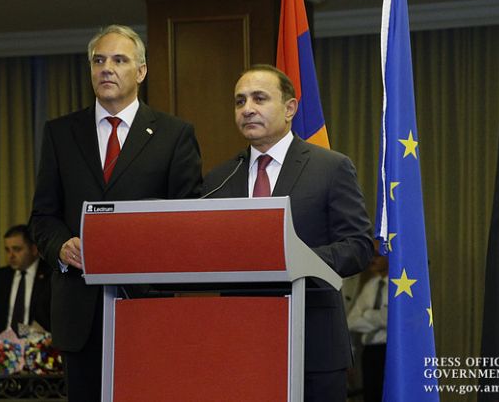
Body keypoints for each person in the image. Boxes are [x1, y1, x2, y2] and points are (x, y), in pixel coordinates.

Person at [29, 24, 202, 402]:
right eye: (99, 60)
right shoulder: (60, 133)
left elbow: (189, 220)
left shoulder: (174, 134)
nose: (106, 68)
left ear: (141, 72)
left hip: (147, 308)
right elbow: (42, 216)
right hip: (79, 312)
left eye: (119, 60)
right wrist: (61, 247)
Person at [202, 64, 373, 402]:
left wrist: (293, 260)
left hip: (314, 343)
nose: (247, 109)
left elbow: (358, 246)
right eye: (240, 101)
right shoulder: (219, 178)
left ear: (290, 108)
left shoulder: (330, 167)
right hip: (242, 344)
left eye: (259, 98)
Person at [0, 224, 51, 334]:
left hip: (40, 340)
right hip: (6, 342)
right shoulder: (1, 276)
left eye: (17, 249)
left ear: (34, 249)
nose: (11, 256)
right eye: (7, 250)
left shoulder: (50, 275)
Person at [347, 253, 388, 402]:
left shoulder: (400, 286)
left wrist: (367, 314)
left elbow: (390, 320)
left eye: (377, 255)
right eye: (371, 255)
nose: (372, 259)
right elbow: (351, 321)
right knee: (371, 396)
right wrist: (377, 316)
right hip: (370, 352)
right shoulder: (370, 286)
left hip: (390, 351)